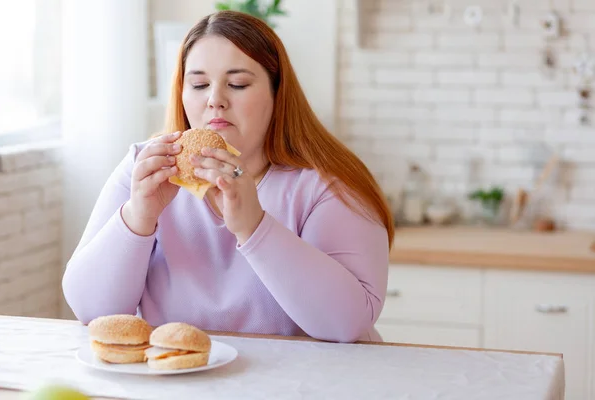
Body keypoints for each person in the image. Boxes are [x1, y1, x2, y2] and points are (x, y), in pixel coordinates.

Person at [62, 10, 394, 343]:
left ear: (277, 94)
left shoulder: (327, 186)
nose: (215, 100)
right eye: (199, 84)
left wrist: (254, 227)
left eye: (237, 84)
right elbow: (91, 311)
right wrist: (137, 217)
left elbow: (347, 324)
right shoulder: (144, 168)